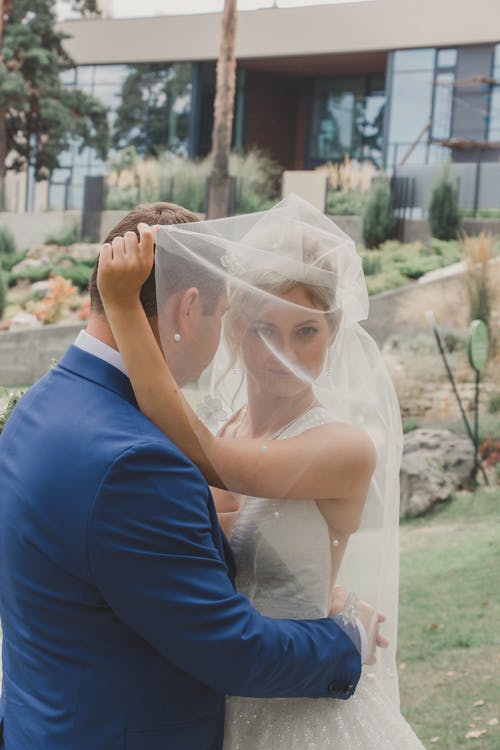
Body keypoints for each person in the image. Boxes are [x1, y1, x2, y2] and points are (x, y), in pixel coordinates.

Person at [0, 202, 381, 750]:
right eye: (235, 319)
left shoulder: (36, 409)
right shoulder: (140, 459)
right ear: (188, 310)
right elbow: (232, 648)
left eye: (304, 331)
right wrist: (346, 637)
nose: (281, 355)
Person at [96, 194, 425, 748]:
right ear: (234, 331)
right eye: (264, 331)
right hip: (224, 692)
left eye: (306, 332)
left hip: (304, 707)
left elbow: (215, 464)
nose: (285, 354)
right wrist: (334, 598)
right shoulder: (224, 428)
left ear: (332, 334)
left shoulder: (342, 447)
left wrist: (124, 306)